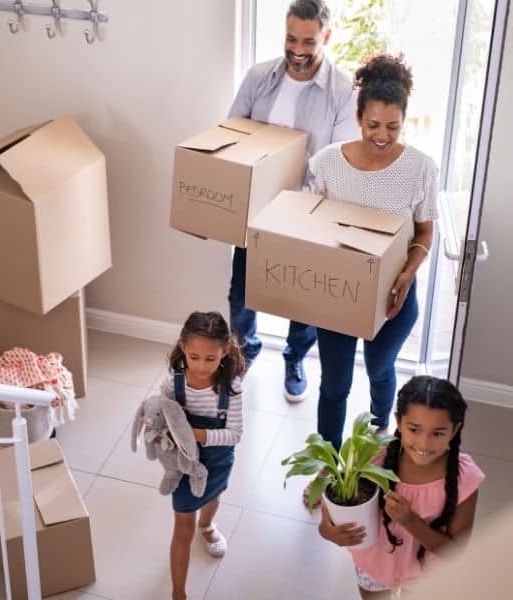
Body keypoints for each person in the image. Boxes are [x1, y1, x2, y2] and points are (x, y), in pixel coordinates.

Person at [228, 0, 359, 402]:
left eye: (308, 40)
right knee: (241, 291)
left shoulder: (342, 91)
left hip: (306, 212)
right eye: (290, 38)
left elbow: (337, 162)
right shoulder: (258, 78)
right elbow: (232, 133)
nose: (297, 49)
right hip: (255, 208)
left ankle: (294, 357)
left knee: (302, 299)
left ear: (327, 37)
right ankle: (244, 351)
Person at [307, 53, 438, 452]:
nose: (382, 135)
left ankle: (382, 434)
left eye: (393, 127)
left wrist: (407, 273)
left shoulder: (420, 168)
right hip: (338, 295)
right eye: (373, 125)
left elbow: (425, 232)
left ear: (404, 121)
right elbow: (311, 225)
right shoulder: (328, 162)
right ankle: (326, 465)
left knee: (381, 370)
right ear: (358, 116)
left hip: (394, 295)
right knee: (334, 385)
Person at [318, 375, 485, 598]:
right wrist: (328, 532)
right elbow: (331, 516)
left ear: (454, 430)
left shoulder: (465, 480)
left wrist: (410, 521)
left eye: (437, 433)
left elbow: (455, 552)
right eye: (414, 429)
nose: (424, 444)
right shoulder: (372, 458)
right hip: (373, 566)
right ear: (399, 422)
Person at [161, 311, 245, 600]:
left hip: (218, 459)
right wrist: (165, 432)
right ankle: (178, 592)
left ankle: (208, 525)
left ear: (225, 352)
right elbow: (161, 414)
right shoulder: (174, 382)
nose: (200, 366)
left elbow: (235, 434)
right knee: (182, 527)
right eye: (194, 357)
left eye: (210, 359)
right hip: (185, 463)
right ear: (183, 347)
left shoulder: (231, 389)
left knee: (213, 496)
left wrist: (198, 435)